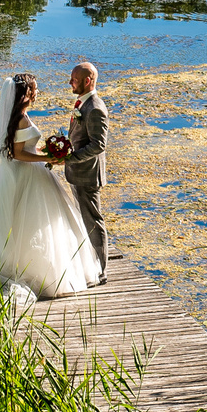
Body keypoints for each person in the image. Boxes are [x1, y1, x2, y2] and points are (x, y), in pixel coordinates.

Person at [0, 72, 101, 303]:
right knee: (25, 221)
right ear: (26, 94)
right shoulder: (19, 119)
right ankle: (31, 271)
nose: (37, 93)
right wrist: (46, 158)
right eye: (34, 90)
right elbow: (17, 153)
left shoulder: (20, 115)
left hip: (26, 172)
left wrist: (46, 153)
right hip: (25, 174)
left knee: (27, 222)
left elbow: (23, 148)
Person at [63, 60, 113, 284]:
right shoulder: (83, 104)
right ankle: (89, 264)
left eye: (74, 78)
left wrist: (70, 157)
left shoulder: (94, 108)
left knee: (93, 221)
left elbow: (98, 145)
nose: (70, 82)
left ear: (87, 80)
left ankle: (101, 271)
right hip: (78, 173)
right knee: (84, 220)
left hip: (87, 175)